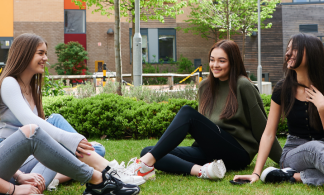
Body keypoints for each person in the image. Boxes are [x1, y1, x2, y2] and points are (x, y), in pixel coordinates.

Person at [0, 33, 146, 189]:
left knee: (95, 149)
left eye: (46, 53)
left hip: (32, 154)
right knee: (67, 143)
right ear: (24, 54)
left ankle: (55, 178)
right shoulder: (9, 83)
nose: (45, 58)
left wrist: (73, 142)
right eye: (40, 53)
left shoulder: (33, 87)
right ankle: (109, 170)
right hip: (10, 154)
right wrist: (68, 139)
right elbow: (28, 120)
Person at [233, 33, 324, 195]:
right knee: (315, 147)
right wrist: (256, 173)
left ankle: (294, 177)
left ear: (311, 53)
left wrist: (322, 109)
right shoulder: (283, 88)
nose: (288, 54)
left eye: (294, 49)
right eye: (288, 49)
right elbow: (269, 133)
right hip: (294, 154)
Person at [121, 40, 282, 180]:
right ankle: (202, 171)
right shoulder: (205, 86)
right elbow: (206, 126)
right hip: (209, 151)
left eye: (221, 61)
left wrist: (283, 160)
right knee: (149, 151)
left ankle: (143, 165)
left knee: (187, 113)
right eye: (212, 60)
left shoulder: (243, 85)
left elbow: (263, 128)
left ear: (233, 62)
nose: (215, 65)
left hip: (237, 153)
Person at [0, 124, 140, 195]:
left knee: (51, 150)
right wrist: (13, 188)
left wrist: (19, 176)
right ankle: (99, 182)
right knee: (31, 132)